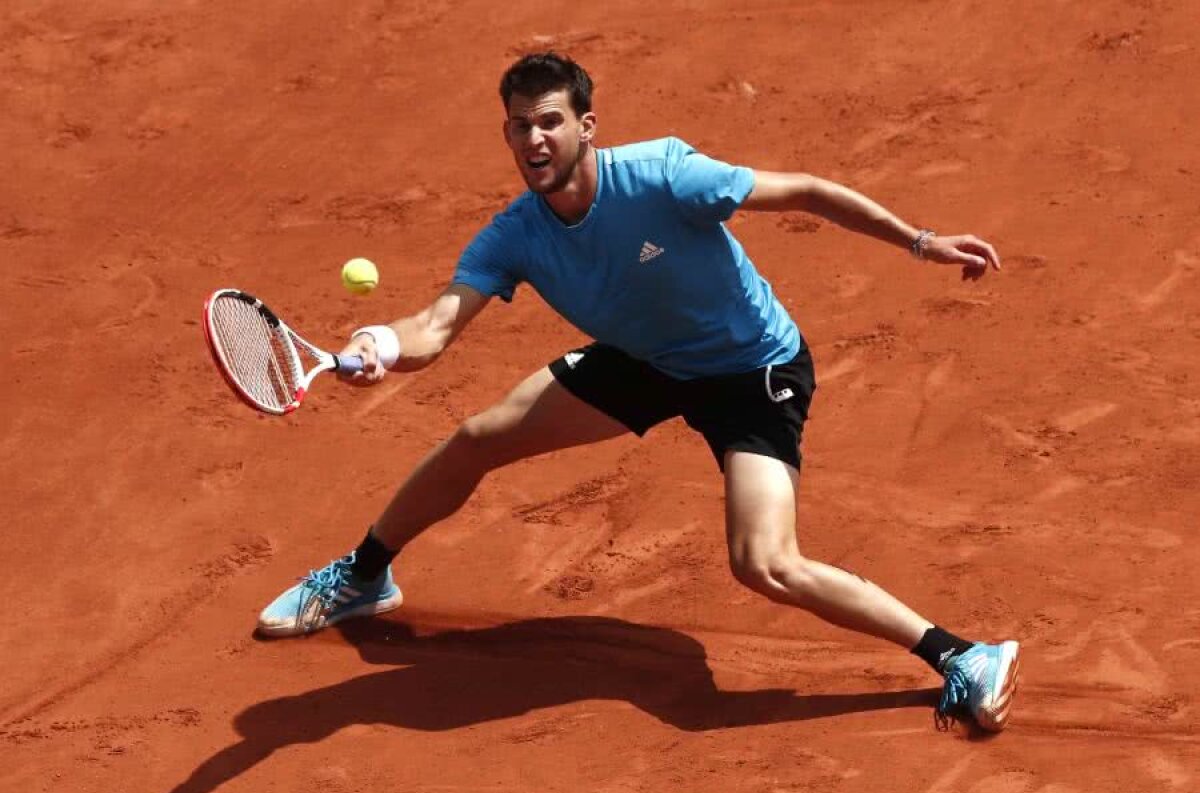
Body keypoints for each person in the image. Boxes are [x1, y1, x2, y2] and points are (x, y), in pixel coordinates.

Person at [257, 52, 1019, 731]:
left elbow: (804, 192)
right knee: (479, 438)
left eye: (550, 122)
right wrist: (375, 347)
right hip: (644, 358)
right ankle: (362, 575)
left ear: (587, 127)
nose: (534, 141)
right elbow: (435, 323)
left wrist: (919, 241)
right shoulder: (515, 234)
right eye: (519, 127)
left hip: (749, 371)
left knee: (766, 564)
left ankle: (962, 654)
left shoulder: (662, 175)